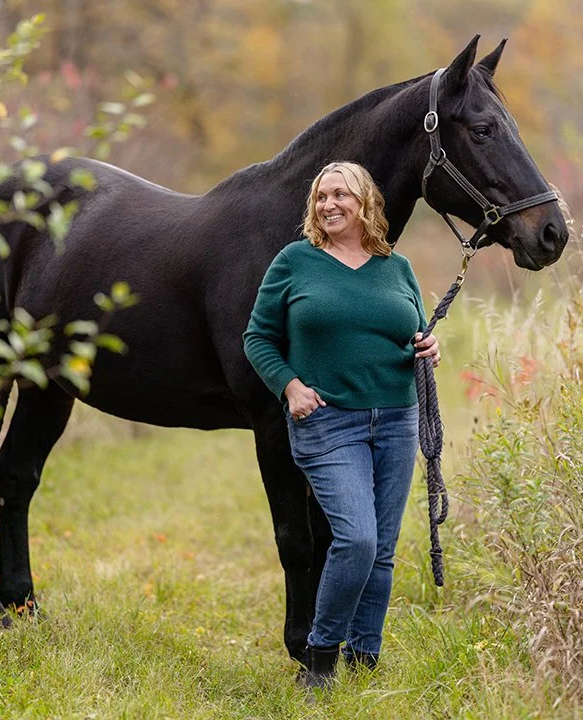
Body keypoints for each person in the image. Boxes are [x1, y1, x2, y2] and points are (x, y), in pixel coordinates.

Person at [243, 161, 440, 688]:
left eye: (341, 195)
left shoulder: (395, 267)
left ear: (366, 204)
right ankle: (321, 656)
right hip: (328, 424)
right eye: (321, 196)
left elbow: (412, 329)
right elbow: (257, 338)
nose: (329, 204)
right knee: (356, 540)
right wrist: (289, 386)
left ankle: (363, 657)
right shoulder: (295, 263)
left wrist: (428, 346)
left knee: (382, 550)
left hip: (396, 419)